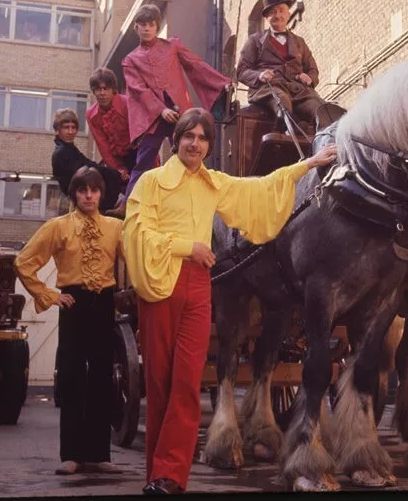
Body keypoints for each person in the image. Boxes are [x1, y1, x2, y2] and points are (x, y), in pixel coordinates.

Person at [122, 108, 337, 495]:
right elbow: (137, 234)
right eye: (189, 135)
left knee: (186, 382)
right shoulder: (151, 182)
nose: (196, 143)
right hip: (159, 284)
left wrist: (309, 164)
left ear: (209, 145)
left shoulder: (214, 183)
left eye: (204, 138)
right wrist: (188, 247)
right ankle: (156, 472)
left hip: (199, 287)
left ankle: (170, 475)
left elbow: (261, 189)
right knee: (160, 383)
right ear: (177, 139)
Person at [14, 167, 124, 476]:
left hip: (104, 303)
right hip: (73, 303)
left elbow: (139, 260)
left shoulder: (116, 228)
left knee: (102, 378)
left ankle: (100, 454)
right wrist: (50, 295)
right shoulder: (57, 227)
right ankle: (72, 455)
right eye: (82, 190)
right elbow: (24, 262)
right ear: (74, 193)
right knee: (73, 377)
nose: (89, 195)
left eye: (94, 190)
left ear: (102, 194)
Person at [113, 3, 231, 219]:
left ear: (157, 26)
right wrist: (160, 110)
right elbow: (138, 90)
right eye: (142, 25)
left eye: (151, 24)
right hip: (154, 118)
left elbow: (196, 65)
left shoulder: (172, 45)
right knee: (144, 161)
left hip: (180, 113)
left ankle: (203, 196)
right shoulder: (130, 60)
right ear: (136, 28)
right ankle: (128, 205)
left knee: (191, 152)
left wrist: (221, 82)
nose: (147, 28)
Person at [236, 0, 326, 126]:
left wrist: (310, 78)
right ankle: (285, 136)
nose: (278, 15)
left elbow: (312, 69)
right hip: (269, 88)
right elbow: (241, 71)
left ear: (288, 13)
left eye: (281, 10)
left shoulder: (299, 42)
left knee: (322, 109)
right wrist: (260, 75)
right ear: (266, 17)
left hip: (299, 91)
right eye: (273, 12)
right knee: (283, 104)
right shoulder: (254, 40)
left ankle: (325, 143)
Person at [51, 108, 122, 213]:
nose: (71, 132)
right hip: (78, 206)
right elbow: (85, 172)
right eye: (66, 128)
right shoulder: (62, 152)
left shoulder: (68, 148)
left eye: (73, 127)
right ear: (58, 130)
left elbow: (87, 163)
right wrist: (115, 174)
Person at [86, 67, 137, 192]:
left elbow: (141, 134)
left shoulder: (127, 103)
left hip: (138, 152)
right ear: (93, 91)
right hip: (118, 160)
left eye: (106, 88)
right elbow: (104, 147)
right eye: (98, 89)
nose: (102, 93)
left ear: (113, 89)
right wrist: (119, 169)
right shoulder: (91, 115)